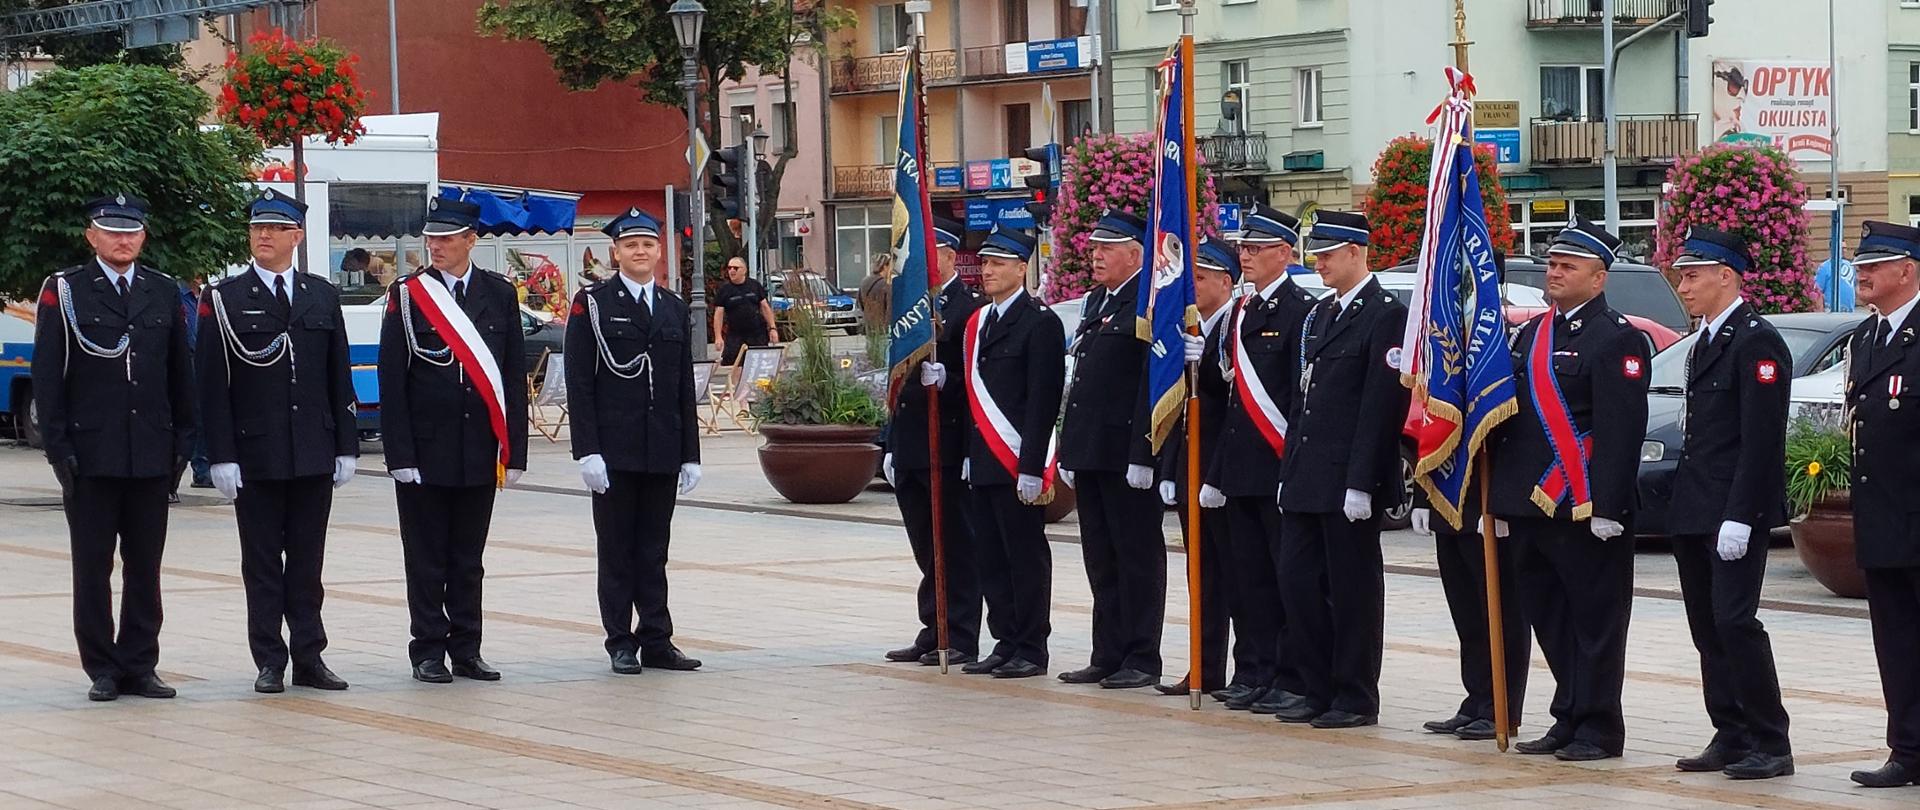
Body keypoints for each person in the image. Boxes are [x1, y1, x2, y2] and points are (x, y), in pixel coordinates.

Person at [1489, 218, 1650, 762]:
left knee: (1596, 623)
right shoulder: (1533, 333)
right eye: (1552, 265)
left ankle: (1600, 727)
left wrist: (1609, 505)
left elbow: (1621, 428)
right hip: (1532, 506)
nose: (1554, 273)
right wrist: (1502, 500)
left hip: (1582, 509)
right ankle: (1568, 715)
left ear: (1599, 277)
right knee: (1550, 619)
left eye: (1568, 266)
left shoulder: (1620, 338)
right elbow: (1512, 420)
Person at [30, 194, 194, 702]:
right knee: (93, 565)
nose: (123, 240)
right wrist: (58, 447)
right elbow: (48, 374)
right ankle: (101, 666)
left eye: (132, 232)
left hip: (149, 450)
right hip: (91, 452)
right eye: (112, 231)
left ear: (143, 236)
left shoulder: (162, 290)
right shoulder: (67, 290)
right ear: (92, 236)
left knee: (146, 566)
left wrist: (183, 442)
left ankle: (141, 664)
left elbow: (179, 373)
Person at [197, 189, 358, 694]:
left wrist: (346, 444)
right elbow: (211, 384)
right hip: (256, 451)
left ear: (297, 235)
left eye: (274, 229)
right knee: (263, 564)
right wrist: (220, 455)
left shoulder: (319, 294)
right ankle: (269, 658)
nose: (263, 236)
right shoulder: (223, 298)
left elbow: (339, 374)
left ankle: (310, 656)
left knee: (308, 565)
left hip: (312, 449)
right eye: (256, 228)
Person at [1662, 227, 1796, 779]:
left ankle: (1771, 740)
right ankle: (1732, 731)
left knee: (1735, 622)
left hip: (1733, 511)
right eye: (1681, 274)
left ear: (1727, 276)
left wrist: (1741, 515)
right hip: (1697, 507)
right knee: (1706, 628)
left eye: (1693, 275)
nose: (1683, 285)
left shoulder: (1756, 341)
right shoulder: (1709, 339)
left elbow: (1760, 439)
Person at [378, 196, 529, 684]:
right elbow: (392, 380)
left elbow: (510, 375)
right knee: (425, 557)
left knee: (468, 558)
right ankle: (426, 650)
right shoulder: (408, 294)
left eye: (446, 238)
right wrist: (399, 452)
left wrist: (515, 449)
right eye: (431, 238)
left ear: (471, 239)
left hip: (478, 449)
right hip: (425, 448)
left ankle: (467, 648)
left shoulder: (499, 293)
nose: (436, 246)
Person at [1274, 210, 1409, 729]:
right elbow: (1303, 402)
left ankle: (1353, 694)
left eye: (1328, 254)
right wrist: (1288, 471)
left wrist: (1361, 482)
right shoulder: (1323, 315)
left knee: (1351, 591)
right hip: (1308, 474)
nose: (1320, 264)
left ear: (1356, 252)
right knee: (1298, 583)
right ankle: (1316, 686)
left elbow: (1379, 407)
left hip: (1348, 479)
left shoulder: (1383, 315)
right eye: (1317, 255)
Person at [566, 207, 705, 675]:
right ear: (616, 253)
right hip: (615, 451)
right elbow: (580, 382)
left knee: (654, 551)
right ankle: (620, 641)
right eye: (630, 245)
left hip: (661, 449)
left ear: (658, 251)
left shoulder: (672, 307)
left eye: (647, 244)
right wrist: (587, 450)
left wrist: (690, 453)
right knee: (617, 551)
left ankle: (658, 640)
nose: (639, 252)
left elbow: (683, 384)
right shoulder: (594, 304)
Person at [1410, 254, 1532, 744]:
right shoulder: (1441, 346)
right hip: (1449, 492)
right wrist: (1424, 491)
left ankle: (1503, 704)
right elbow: (1423, 416)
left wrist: (1499, 502)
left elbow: (1513, 430)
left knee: (1498, 606)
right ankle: (1476, 697)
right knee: (1465, 605)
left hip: (1488, 500)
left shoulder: (1503, 348)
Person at [1202, 206, 1317, 713]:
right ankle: (1252, 668)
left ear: (1284, 254)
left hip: (1276, 464)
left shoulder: (1301, 311)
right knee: (1246, 578)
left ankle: (1288, 675)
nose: (1245, 257)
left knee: (1282, 579)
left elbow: (1297, 398)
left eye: (1256, 249)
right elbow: (1222, 399)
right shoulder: (1240, 313)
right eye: (1243, 249)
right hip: (1239, 467)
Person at [1056, 209, 1166, 691]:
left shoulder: (1149, 302)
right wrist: (1069, 449)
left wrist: (1144, 454)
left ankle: (1142, 656)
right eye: (1093, 248)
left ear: (1134, 254)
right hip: (1093, 452)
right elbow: (1083, 380)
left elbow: (1150, 386)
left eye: (1106, 248)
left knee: (1136, 557)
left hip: (1126, 455)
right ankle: (1108, 652)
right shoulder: (1099, 300)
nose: (1095, 256)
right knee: (1101, 558)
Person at [959, 225, 1064, 679]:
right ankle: (1003, 638)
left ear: (1022, 268)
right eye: (984, 263)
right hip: (984, 459)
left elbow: (1043, 400)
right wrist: (968, 452)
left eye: (998, 263)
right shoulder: (981, 322)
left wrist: (1032, 466)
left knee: (1024, 555)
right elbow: (973, 396)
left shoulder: (1040, 323)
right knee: (991, 556)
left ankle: (1030, 644)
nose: (988, 271)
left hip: (1017, 459)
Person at [884, 216, 989, 667]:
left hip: (945, 445)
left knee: (955, 545)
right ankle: (934, 625)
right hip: (910, 445)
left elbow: (979, 385)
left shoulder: (966, 311)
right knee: (926, 544)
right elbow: (898, 380)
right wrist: (890, 444)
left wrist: (949, 384)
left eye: (927, 257)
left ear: (948, 258)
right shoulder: (909, 306)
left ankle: (960, 633)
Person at [1842, 221, 1920, 789]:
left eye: (1875, 265)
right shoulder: (1867, 338)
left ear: (1907, 271)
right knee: (1895, 644)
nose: (1862, 274)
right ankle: (1909, 750)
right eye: (1860, 265)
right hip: (1884, 521)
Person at [1151, 236, 1242, 698]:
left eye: (1202, 277)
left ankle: (1249, 671)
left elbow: (1229, 408)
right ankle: (1204, 666)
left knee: (1237, 577)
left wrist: (1217, 476)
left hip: (1225, 475)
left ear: (1226, 282)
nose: (1194, 285)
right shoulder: (1193, 330)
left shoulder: (1234, 328)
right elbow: (1180, 411)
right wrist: (1170, 470)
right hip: (1193, 470)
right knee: (1201, 576)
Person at [714, 256, 777, 364]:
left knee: (758, 363)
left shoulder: (755, 286)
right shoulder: (725, 290)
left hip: (757, 333)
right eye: (729, 268)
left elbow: (765, 307)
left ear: (744, 270)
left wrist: (772, 328)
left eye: (735, 268)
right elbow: (718, 314)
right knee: (734, 365)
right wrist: (718, 337)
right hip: (735, 334)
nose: (732, 271)